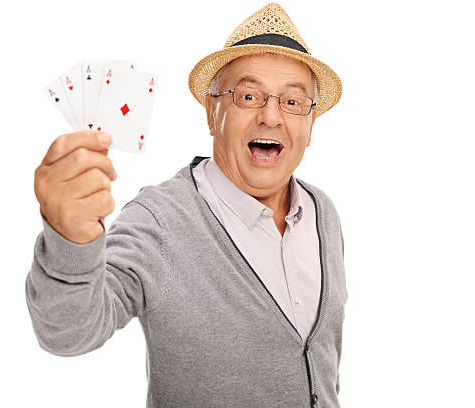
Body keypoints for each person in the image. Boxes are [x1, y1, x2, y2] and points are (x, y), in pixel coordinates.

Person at [25, 3, 347, 407]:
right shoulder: (159, 219)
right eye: (248, 96)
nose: (271, 116)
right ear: (213, 113)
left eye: (293, 102)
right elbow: (69, 331)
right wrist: (67, 238)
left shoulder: (323, 213)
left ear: (311, 125)